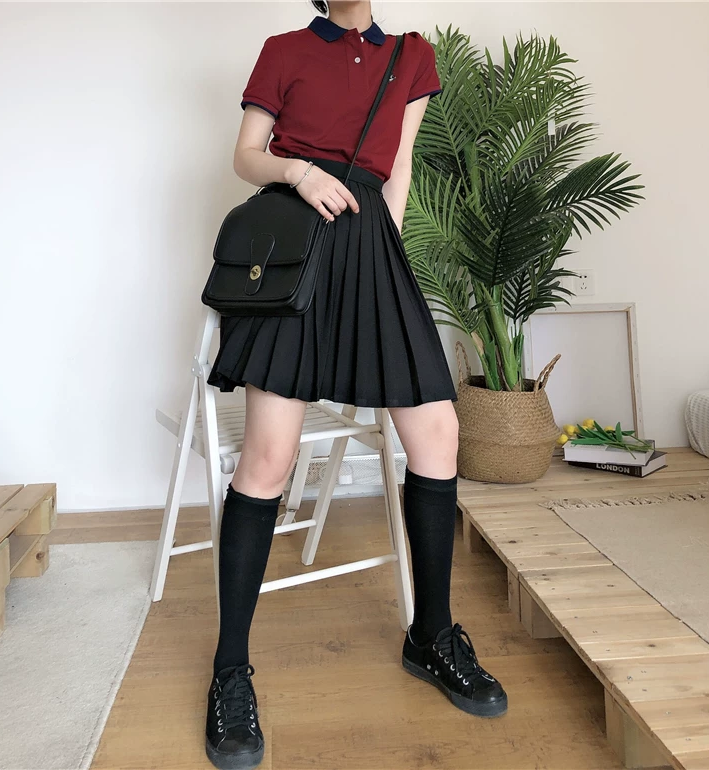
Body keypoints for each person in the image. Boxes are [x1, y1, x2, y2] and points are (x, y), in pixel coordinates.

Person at [204, 2, 507, 768]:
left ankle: (430, 635)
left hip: (372, 248)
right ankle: (230, 671)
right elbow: (245, 155)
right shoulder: (283, 48)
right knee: (268, 457)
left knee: (438, 432)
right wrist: (299, 171)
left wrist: (384, 271)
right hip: (295, 245)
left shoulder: (411, 55)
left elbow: (397, 171)